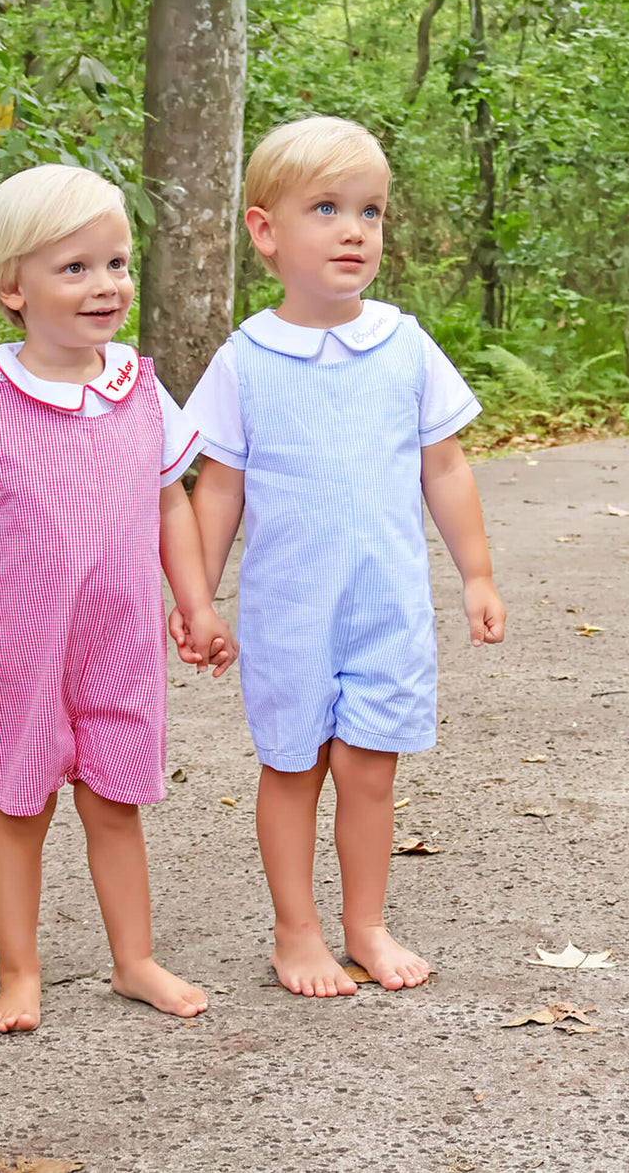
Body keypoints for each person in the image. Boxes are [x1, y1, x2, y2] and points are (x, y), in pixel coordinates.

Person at [175, 117, 506, 998]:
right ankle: (298, 931)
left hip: (385, 605)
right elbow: (217, 488)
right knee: (293, 766)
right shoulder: (245, 362)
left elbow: (445, 464)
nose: (355, 228)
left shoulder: (403, 345)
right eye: (327, 208)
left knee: (368, 768)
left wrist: (474, 572)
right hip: (288, 611)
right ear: (266, 231)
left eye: (371, 210)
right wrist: (197, 598)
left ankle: (366, 923)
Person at [0, 164, 235, 1033]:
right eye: (76, 267)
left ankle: (135, 961)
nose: (107, 285)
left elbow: (170, 502)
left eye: (118, 264)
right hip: (21, 644)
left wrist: (196, 601)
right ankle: (20, 972)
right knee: (22, 803)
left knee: (114, 800)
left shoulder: (138, 388)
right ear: (13, 286)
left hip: (120, 636)